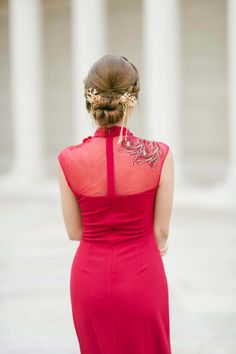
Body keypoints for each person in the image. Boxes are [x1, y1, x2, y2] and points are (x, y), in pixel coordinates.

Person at [57, 54, 174, 354]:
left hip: (89, 281)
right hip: (142, 274)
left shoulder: (68, 159)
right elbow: (160, 233)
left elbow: (74, 231)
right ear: (132, 100)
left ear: (90, 100)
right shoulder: (159, 156)